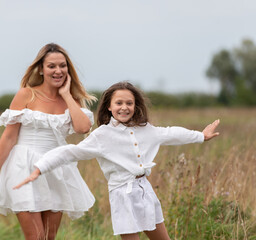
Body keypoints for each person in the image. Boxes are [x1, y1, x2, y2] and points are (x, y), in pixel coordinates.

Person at [14, 81, 220, 240]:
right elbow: (71, 152)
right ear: (110, 107)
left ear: (135, 105)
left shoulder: (145, 129)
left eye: (129, 103)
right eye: (119, 103)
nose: (124, 107)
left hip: (145, 191)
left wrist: (200, 136)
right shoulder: (102, 135)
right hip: (122, 194)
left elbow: (170, 134)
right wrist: (40, 167)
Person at [0, 43, 97, 240]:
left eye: (62, 65)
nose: (58, 70)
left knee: (49, 238)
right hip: (23, 166)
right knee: (36, 237)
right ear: (41, 69)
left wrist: (66, 94)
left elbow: (83, 128)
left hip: (55, 168)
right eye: (51, 66)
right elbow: (9, 137)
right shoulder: (27, 94)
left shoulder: (72, 100)